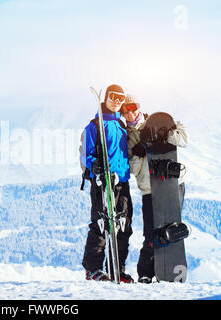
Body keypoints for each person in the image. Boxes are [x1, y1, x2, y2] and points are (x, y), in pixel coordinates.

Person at [121, 95, 188, 283]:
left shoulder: (157, 122)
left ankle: (168, 269)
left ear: (139, 107)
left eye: (132, 107)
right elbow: (132, 170)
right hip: (149, 190)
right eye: (124, 111)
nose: (129, 113)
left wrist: (162, 136)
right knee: (151, 233)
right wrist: (138, 152)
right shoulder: (127, 135)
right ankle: (146, 273)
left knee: (171, 228)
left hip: (172, 185)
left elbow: (182, 140)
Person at [80, 84, 134, 283]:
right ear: (106, 98)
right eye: (113, 96)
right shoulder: (95, 125)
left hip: (122, 181)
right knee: (102, 223)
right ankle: (92, 268)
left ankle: (116, 269)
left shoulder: (121, 125)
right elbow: (86, 153)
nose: (117, 100)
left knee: (123, 225)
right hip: (104, 181)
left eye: (121, 97)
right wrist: (94, 167)